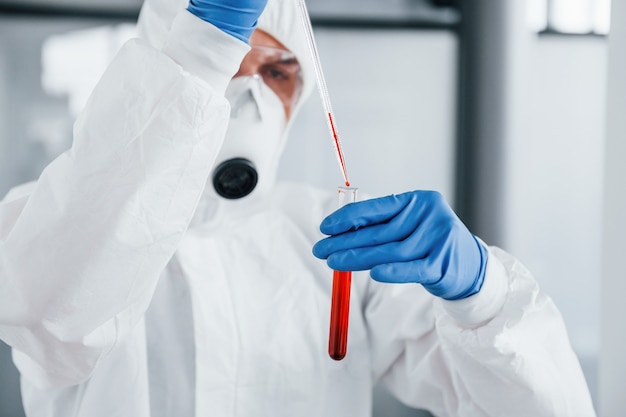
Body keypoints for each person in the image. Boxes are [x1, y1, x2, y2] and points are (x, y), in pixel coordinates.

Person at [0, 0, 596, 416]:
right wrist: (200, 51)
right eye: (231, 63)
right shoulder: (51, 220)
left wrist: (484, 297)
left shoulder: (335, 245)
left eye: (279, 72)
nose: (252, 97)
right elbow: (54, 318)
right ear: (166, 65)